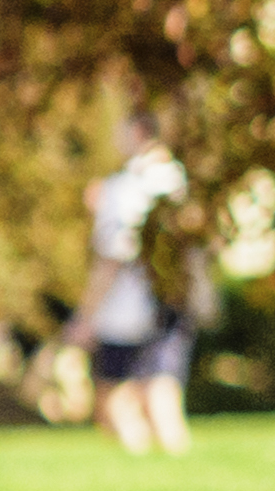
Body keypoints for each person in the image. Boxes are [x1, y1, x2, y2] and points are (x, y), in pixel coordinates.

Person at [78, 145, 206, 456]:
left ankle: (142, 462)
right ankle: (173, 467)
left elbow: (112, 256)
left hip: (126, 313)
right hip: (170, 303)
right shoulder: (177, 182)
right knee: (159, 391)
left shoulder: (125, 188)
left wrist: (85, 318)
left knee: (119, 398)